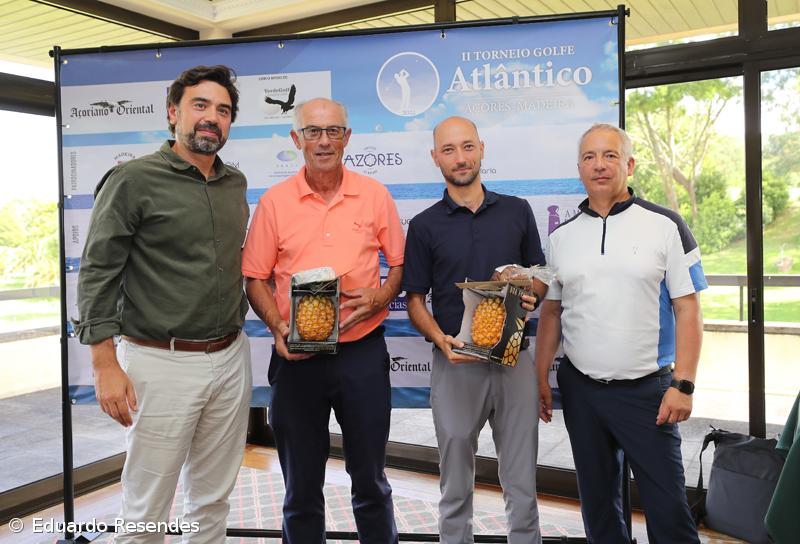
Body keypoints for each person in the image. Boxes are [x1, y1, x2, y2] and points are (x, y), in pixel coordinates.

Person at [74, 65, 252, 543]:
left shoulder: (235, 184)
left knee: (212, 498)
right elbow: (97, 271)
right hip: (160, 360)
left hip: (231, 357)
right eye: (200, 106)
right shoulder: (132, 180)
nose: (212, 118)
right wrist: (102, 361)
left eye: (223, 110)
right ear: (173, 113)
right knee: (148, 505)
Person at [241, 98, 404, 544]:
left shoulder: (375, 195)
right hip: (297, 360)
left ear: (348, 137)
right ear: (297, 139)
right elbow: (254, 278)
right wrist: (277, 326)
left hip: (362, 355)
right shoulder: (274, 203)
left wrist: (383, 294)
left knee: (370, 480)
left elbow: (400, 265)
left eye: (334, 130)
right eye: (314, 131)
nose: (325, 140)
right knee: (301, 487)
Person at [535, 123, 706, 543]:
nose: (600, 165)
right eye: (590, 157)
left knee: (669, 513)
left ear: (628, 164)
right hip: (582, 392)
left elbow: (688, 308)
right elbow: (553, 313)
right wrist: (540, 375)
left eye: (610, 155)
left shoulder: (667, 225)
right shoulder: (561, 238)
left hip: (649, 393)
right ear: (579, 169)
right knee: (599, 508)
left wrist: (683, 384)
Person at [402, 116, 546, 544]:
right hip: (456, 360)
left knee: (521, 478)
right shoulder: (425, 225)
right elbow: (414, 300)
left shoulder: (518, 210)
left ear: (482, 148)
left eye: (467, 147)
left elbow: (538, 276)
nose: (460, 158)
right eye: (449, 150)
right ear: (435, 158)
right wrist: (438, 339)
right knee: (455, 480)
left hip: (514, 360)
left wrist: (531, 292)